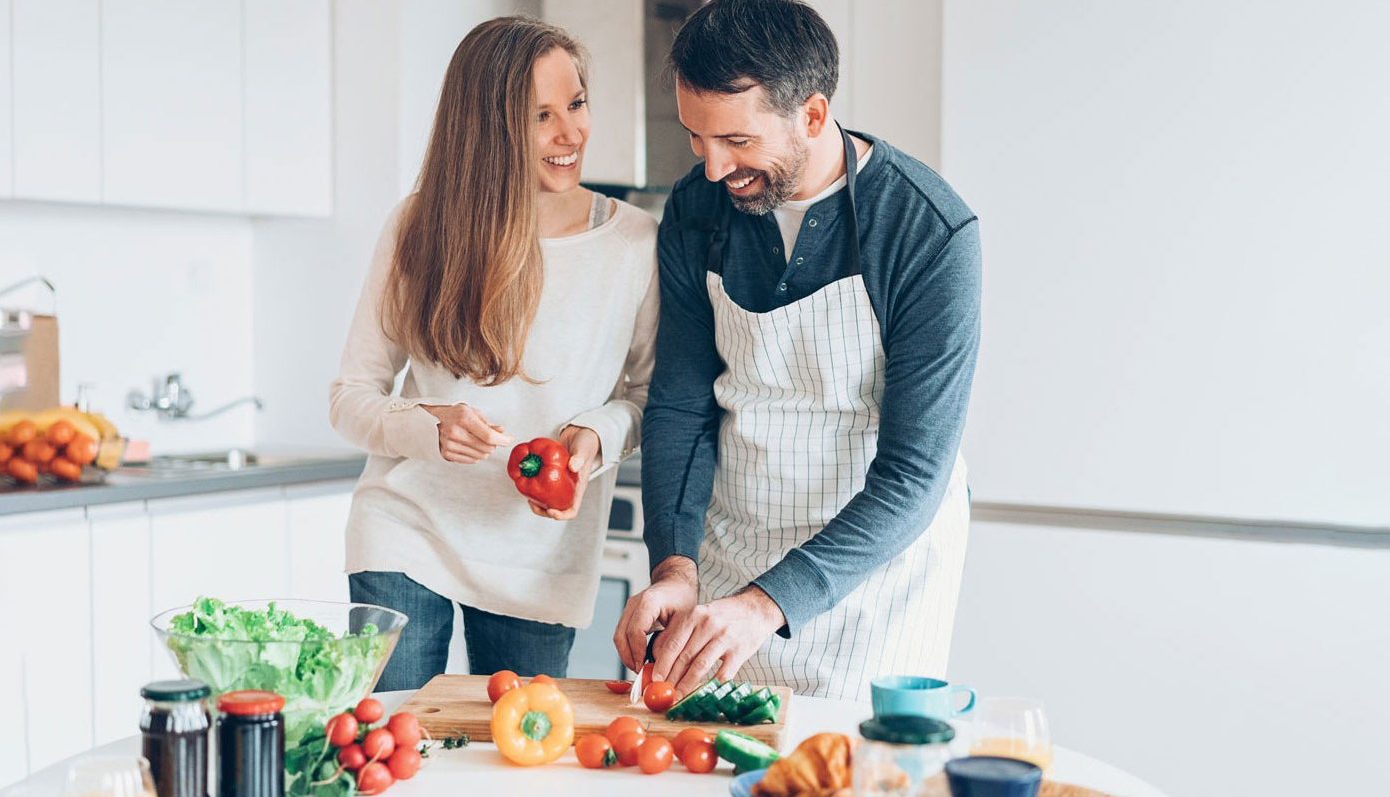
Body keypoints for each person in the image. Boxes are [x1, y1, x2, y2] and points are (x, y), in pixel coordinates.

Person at [616, 0, 980, 700]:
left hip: (875, 576)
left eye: (737, 142)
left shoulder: (929, 232)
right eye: (697, 138)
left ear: (813, 116)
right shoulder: (696, 210)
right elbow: (681, 408)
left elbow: (914, 473)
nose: (715, 168)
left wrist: (766, 604)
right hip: (732, 549)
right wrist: (674, 568)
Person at [330, 16, 659, 691]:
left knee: (517, 759)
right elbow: (350, 397)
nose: (571, 133)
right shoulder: (420, 227)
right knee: (395, 745)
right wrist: (428, 426)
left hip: (538, 555)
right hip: (405, 527)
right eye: (542, 115)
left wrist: (594, 438)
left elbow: (655, 399)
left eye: (576, 103)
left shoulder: (634, 245)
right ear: (490, 128)